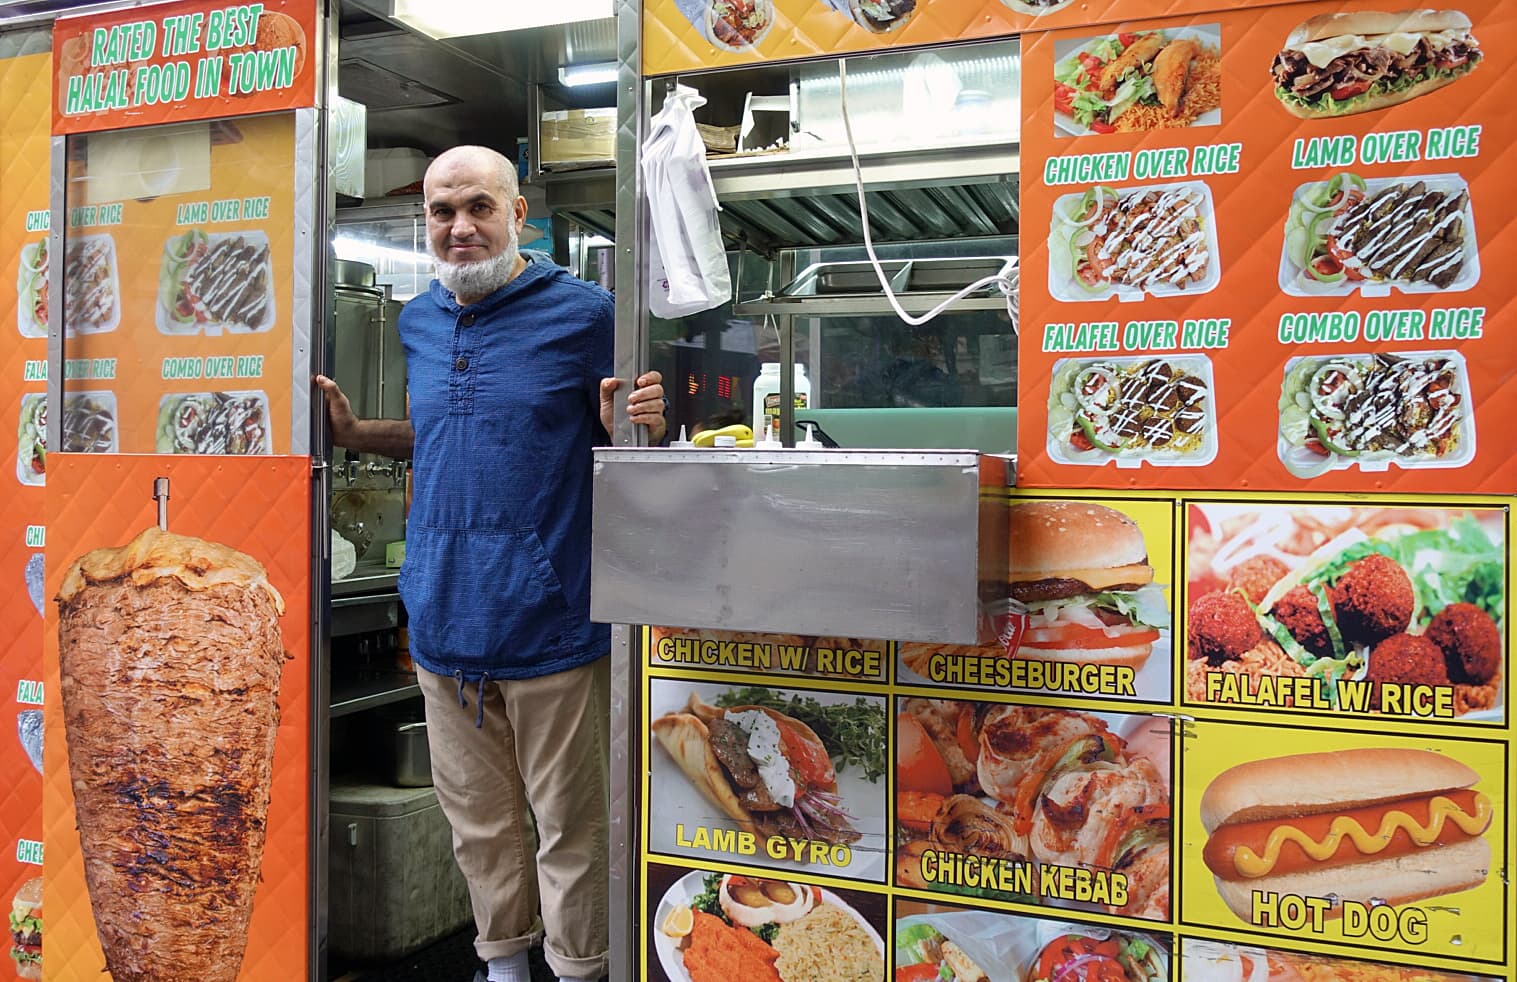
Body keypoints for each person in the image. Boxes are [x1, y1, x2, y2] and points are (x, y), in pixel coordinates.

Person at [316, 145, 665, 982]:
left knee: (572, 826)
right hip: (441, 618)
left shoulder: (588, 316)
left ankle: (580, 969)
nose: (459, 227)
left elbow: (630, 450)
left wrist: (637, 431)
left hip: (553, 620)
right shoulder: (418, 321)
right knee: (476, 824)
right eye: (442, 212)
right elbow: (451, 433)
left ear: (518, 215)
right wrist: (362, 437)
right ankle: (502, 967)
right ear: (424, 223)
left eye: (478, 207)